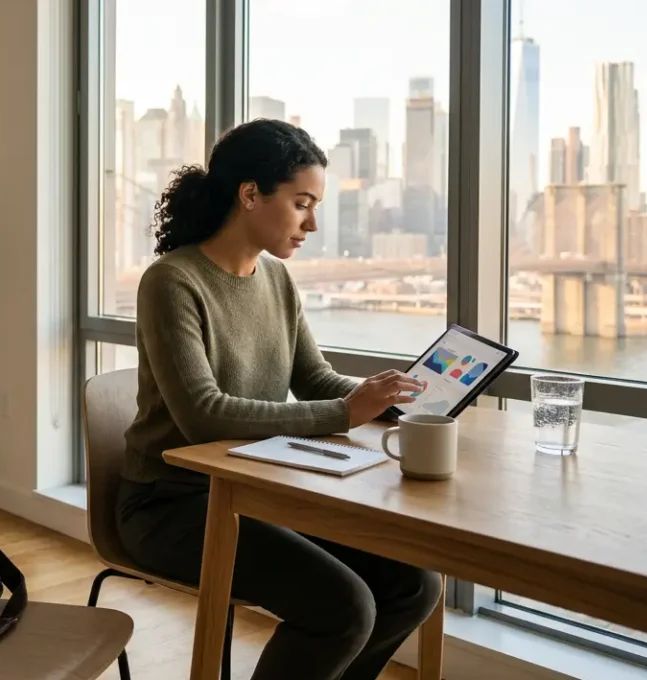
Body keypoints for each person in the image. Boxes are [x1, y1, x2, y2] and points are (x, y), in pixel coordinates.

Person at [116, 118, 442, 680]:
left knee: (415, 584)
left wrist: (387, 399)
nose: (313, 223)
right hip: (170, 505)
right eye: (302, 203)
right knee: (344, 608)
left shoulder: (277, 279)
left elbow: (315, 379)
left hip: (254, 491)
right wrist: (345, 412)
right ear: (249, 195)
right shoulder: (172, 281)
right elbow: (203, 416)